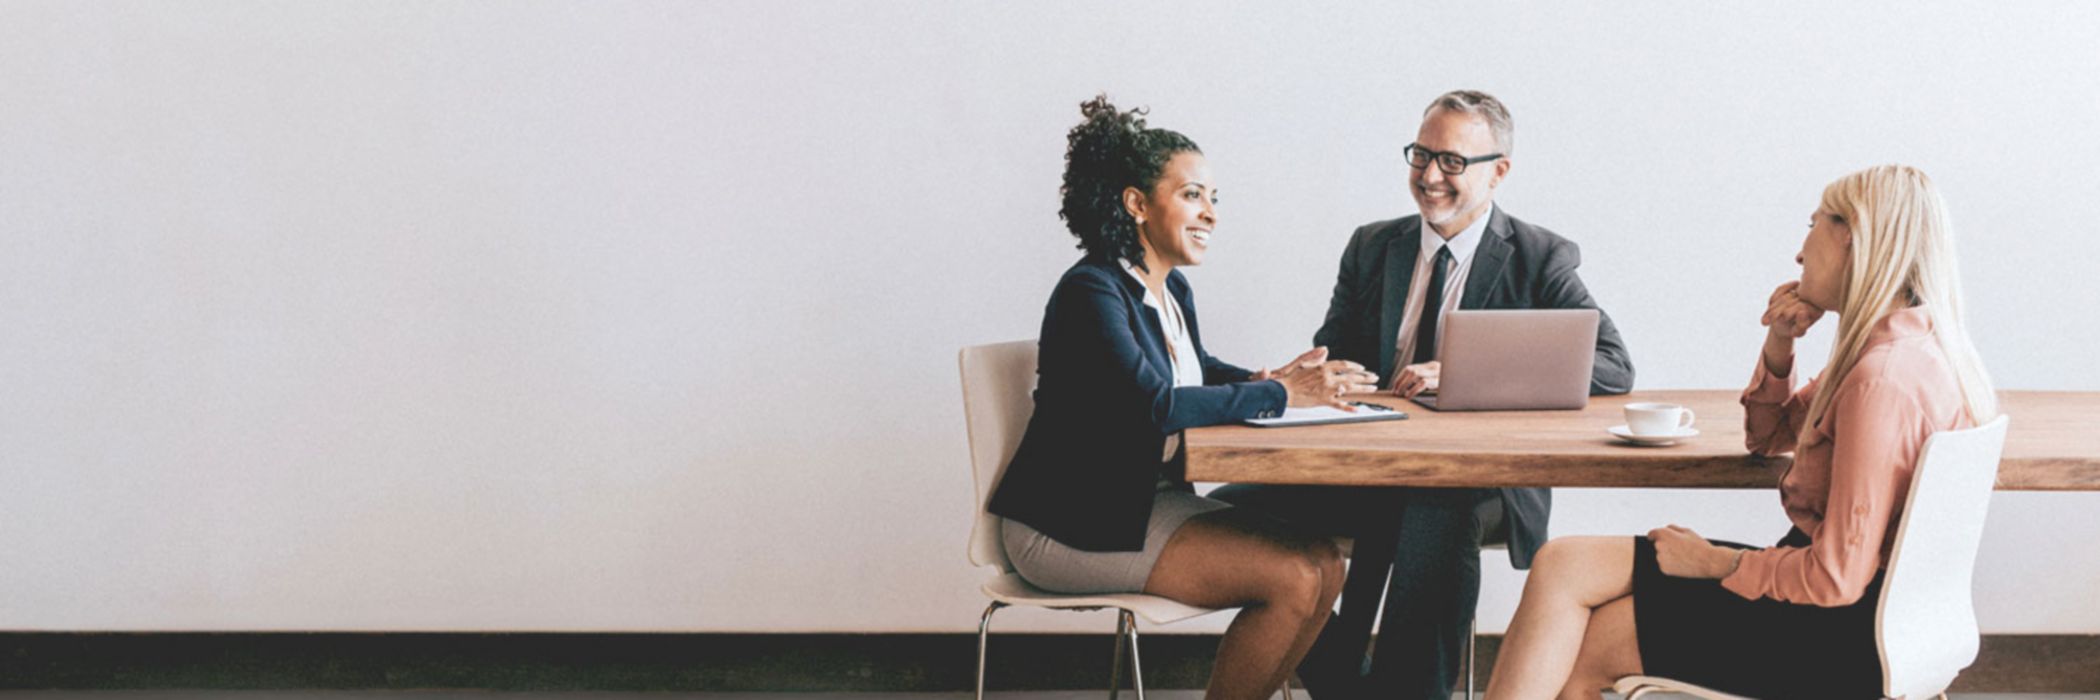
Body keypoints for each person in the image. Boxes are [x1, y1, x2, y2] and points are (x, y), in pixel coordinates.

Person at [1485, 164, 2000, 700]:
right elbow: (1769, 435)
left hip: (1839, 632)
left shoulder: (1882, 381)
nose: (1801, 252)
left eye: (1814, 223)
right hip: (1875, 614)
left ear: (1854, 237)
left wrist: (1712, 562)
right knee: (1562, 562)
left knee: (1594, 644)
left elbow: (1836, 579)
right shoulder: (1908, 349)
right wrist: (1781, 342)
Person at [1211, 89, 1634, 700]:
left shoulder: (1540, 257)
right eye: (1421, 155)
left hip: (1481, 481)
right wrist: (1324, 375)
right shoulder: (1371, 246)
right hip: (1370, 466)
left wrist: (1467, 372)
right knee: (1229, 511)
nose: (1431, 176)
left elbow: (1614, 365)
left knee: (1436, 510)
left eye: (1453, 162)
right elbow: (1334, 350)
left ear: (1499, 172)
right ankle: (1349, 688)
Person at [985, 95, 1381, 700]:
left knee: (1327, 562)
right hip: (1067, 526)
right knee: (1296, 579)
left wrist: (1265, 377)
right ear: (1137, 204)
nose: (1211, 214)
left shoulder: (1171, 291)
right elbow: (1156, 405)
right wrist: (1279, 394)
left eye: (1214, 198)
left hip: (1142, 503)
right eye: (1193, 194)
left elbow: (1194, 374)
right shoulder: (1092, 291)